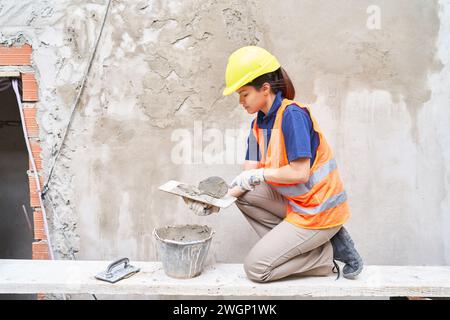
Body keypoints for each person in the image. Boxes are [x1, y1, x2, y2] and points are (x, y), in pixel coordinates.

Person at [183, 46, 363, 282]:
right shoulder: (259, 124)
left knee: (256, 269)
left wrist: (260, 176)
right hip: (298, 205)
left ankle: (324, 256)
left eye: (244, 93)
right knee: (244, 195)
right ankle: (293, 249)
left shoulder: (292, 116)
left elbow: (299, 173)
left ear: (265, 89)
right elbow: (246, 178)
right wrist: (216, 202)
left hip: (319, 211)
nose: (240, 101)